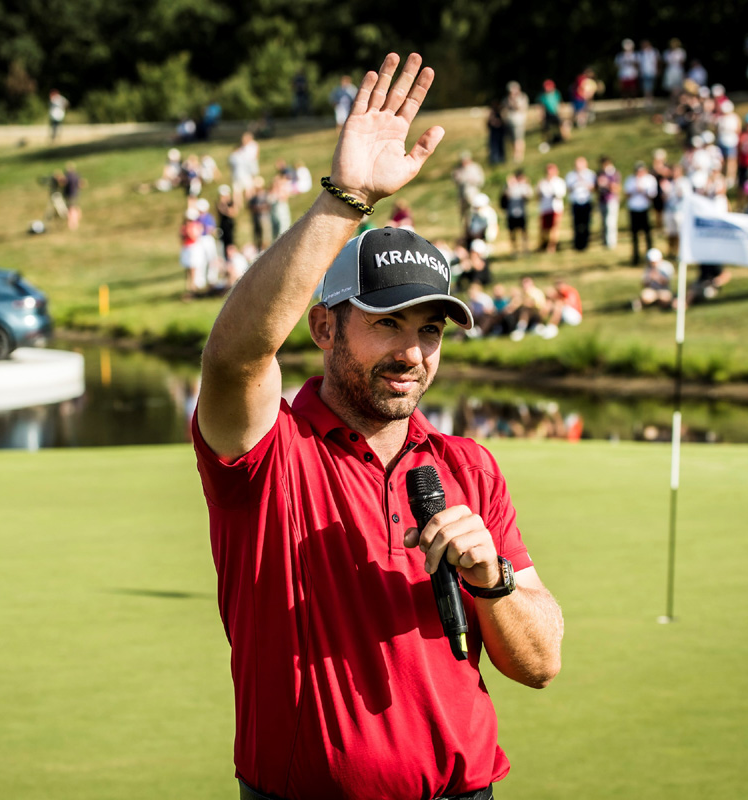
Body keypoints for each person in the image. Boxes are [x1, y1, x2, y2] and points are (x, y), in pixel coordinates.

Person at [194, 53, 562, 800]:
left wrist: (490, 580)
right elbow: (235, 358)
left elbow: (540, 661)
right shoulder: (270, 454)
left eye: (431, 329)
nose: (412, 351)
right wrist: (347, 198)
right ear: (323, 328)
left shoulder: (468, 465)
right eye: (388, 322)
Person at [624, 161, 658, 265]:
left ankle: (650, 256)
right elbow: (626, 195)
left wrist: (642, 190)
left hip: (645, 209)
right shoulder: (630, 180)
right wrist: (635, 190)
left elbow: (653, 196)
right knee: (634, 235)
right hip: (633, 209)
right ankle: (636, 257)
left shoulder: (649, 179)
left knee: (647, 234)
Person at [566, 156, 596, 251]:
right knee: (576, 224)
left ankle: (585, 243)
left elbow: (594, 188)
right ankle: (577, 244)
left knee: (586, 223)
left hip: (586, 201)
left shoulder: (590, 174)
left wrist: (584, 183)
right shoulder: (570, 175)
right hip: (575, 202)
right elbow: (568, 189)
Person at [537, 162, 566, 253]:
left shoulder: (559, 182)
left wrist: (551, 184)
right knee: (544, 229)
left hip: (555, 208)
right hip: (545, 208)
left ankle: (552, 246)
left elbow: (560, 194)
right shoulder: (542, 182)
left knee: (554, 228)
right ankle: (543, 244)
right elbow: (538, 195)